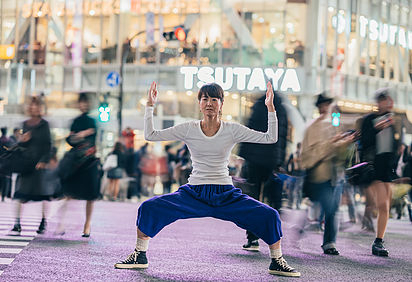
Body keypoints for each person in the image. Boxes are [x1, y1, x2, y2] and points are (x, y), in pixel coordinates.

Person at [114, 82, 300, 277]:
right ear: (199, 103)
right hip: (194, 192)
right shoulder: (189, 128)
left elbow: (270, 138)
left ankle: (277, 260)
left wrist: (271, 108)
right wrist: (149, 106)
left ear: (221, 104)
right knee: (148, 208)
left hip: (226, 194)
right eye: (205, 99)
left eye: (214, 99)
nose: (209, 103)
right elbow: (151, 135)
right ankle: (139, 255)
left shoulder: (232, 129)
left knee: (270, 215)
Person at [301, 93, 354, 255]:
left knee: (332, 208)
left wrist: (345, 143)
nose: (326, 108)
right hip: (319, 174)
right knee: (327, 206)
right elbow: (308, 155)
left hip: (335, 174)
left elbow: (340, 152)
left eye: (328, 105)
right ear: (319, 107)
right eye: (324, 105)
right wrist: (331, 144)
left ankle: (329, 242)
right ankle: (304, 226)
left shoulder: (333, 124)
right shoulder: (311, 127)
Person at [237, 89, 288, 251]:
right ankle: (274, 238)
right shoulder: (282, 110)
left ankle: (252, 238)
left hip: (254, 160)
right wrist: (280, 160)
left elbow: (248, 133)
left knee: (253, 199)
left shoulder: (258, 106)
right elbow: (283, 137)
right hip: (272, 161)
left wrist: (243, 155)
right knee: (272, 198)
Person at [359, 88, 402, 256]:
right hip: (372, 167)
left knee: (386, 207)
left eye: (390, 100)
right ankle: (377, 240)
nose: (389, 103)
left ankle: (378, 241)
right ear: (379, 102)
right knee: (382, 204)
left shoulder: (393, 121)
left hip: (387, 168)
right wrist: (377, 128)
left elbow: (395, 145)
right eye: (386, 100)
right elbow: (365, 141)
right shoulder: (369, 119)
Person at [57, 93, 100, 237]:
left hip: (89, 162)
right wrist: (82, 134)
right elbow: (70, 139)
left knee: (90, 196)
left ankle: (87, 225)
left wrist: (78, 136)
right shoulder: (75, 121)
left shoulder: (92, 121)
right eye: (81, 102)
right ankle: (61, 224)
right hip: (75, 162)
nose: (83, 105)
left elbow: (91, 137)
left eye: (85, 102)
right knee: (66, 193)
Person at [10, 97, 52, 235]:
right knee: (19, 194)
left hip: (39, 164)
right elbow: (21, 144)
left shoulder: (44, 124)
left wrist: (44, 160)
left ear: (40, 107)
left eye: (36, 105)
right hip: (26, 164)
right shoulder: (25, 124)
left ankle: (43, 221)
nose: (33, 107)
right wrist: (23, 140)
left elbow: (48, 145)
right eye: (31, 105)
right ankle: (17, 223)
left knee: (43, 194)